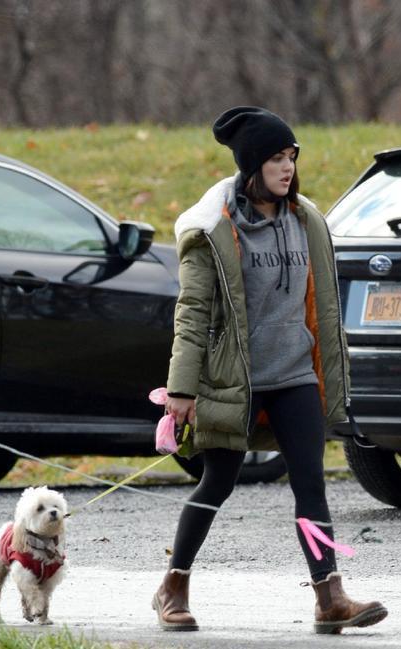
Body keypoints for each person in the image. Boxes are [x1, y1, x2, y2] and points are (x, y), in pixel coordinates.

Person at [152, 106, 387, 635]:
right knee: (217, 483)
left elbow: (322, 306)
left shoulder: (307, 221)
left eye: (291, 156)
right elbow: (190, 315)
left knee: (311, 485)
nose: (287, 167)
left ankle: (330, 596)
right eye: (276, 158)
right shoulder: (213, 231)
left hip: (296, 375)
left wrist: (334, 374)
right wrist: (182, 389)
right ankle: (173, 585)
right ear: (251, 165)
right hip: (237, 380)